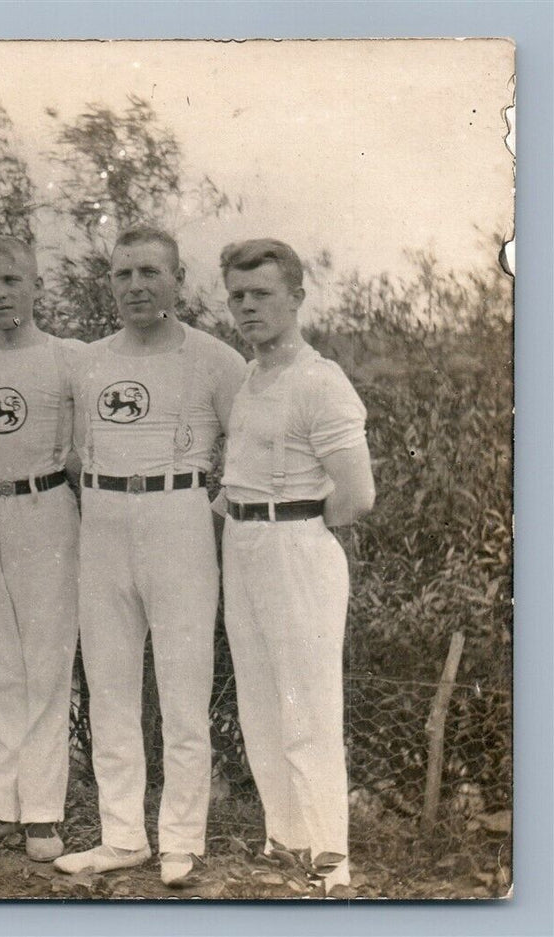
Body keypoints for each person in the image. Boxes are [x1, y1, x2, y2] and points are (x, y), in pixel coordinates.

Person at [54, 226, 246, 887]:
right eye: (122, 274)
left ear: (176, 280)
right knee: (108, 689)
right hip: (103, 523)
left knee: (183, 691)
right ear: (109, 283)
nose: (135, 285)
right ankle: (121, 835)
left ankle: (182, 839)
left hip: (179, 518)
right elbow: (78, 451)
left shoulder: (216, 360)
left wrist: (203, 513)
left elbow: (248, 454)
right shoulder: (89, 361)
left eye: (148, 273)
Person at [215, 239, 375, 894]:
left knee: (306, 705)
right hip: (243, 544)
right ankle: (285, 839)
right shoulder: (250, 377)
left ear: (296, 298)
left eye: (260, 294)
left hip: (297, 545)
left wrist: (297, 526)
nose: (247, 306)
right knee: (258, 700)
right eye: (236, 295)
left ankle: (330, 857)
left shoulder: (320, 380)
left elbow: (356, 495)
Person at [0, 237, 86, 861]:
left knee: (46, 661)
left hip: (45, 505)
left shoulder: (66, 359)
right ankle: (0, 804)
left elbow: (86, 451)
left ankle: (43, 814)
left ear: (36, 287)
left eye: (12, 282)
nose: (0, 294)